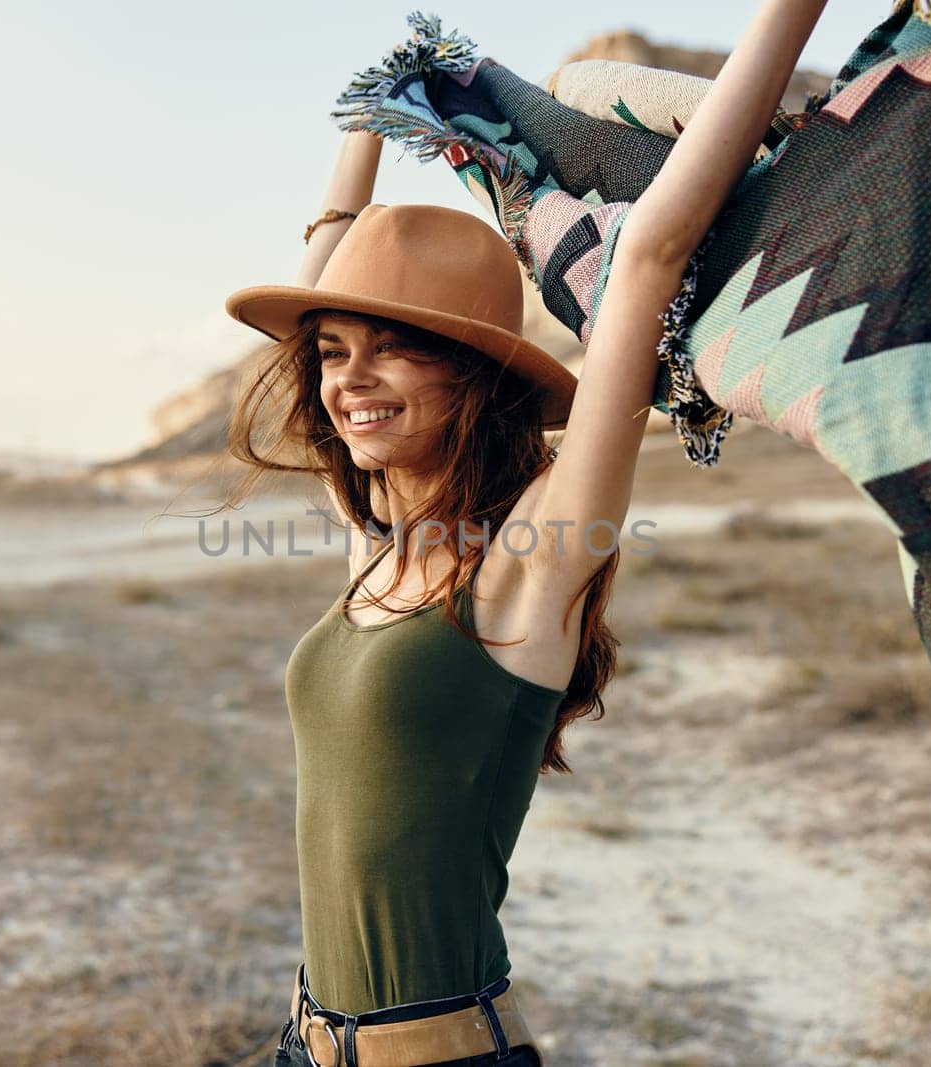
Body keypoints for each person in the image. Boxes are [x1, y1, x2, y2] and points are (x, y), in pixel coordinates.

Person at [220, 3, 829, 1062]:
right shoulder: (374, 546)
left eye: (390, 350)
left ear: (472, 380)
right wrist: (370, 114)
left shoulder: (523, 574)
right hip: (300, 1043)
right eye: (331, 355)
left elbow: (648, 257)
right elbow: (321, 283)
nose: (348, 380)